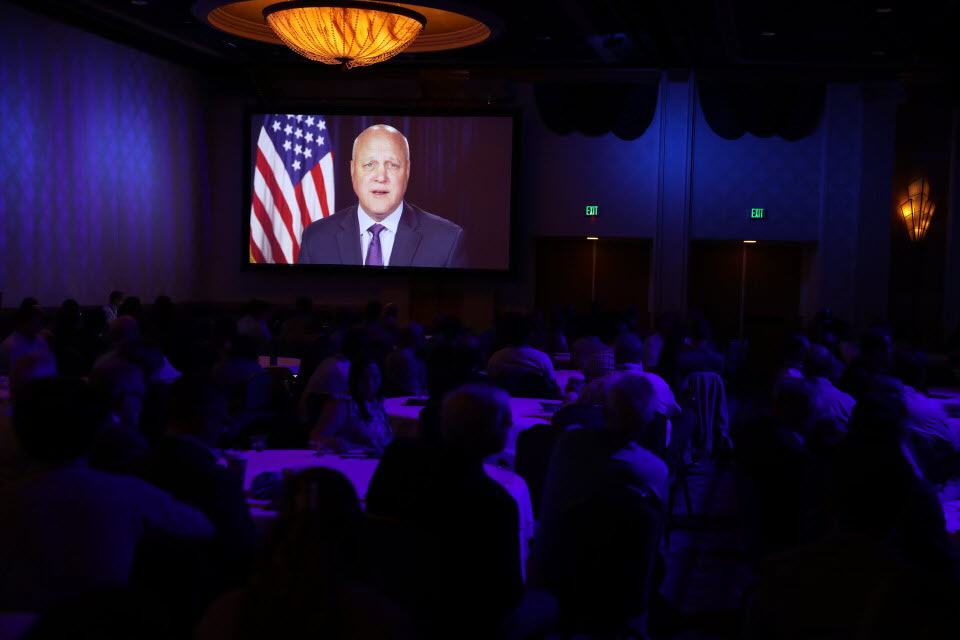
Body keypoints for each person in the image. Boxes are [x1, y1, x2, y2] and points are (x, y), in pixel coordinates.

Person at [0, 377, 214, 613]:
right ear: (98, 431)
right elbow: (202, 526)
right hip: (100, 628)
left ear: (19, 433)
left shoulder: (9, 498)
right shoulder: (126, 493)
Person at [365, 384, 523, 639]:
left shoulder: (398, 459)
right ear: (493, 430)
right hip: (461, 620)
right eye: (507, 420)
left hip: (387, 603)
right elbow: (506, 594)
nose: (511, 424)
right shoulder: (494, 501)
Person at [297, 124, 465, 267]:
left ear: (407, 171)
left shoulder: (447, 240)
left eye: (392, 165)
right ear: (352, 170)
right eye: (369, 164)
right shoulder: (315, 239)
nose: (381, 177)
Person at [308, 356, 392, 453]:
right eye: (363, 378)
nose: (369, 383)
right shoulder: (342, 405)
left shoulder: (377, 404)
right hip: (353, 464)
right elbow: (315, 439)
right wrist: (338, 444)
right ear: (355, 379)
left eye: (374, 377)